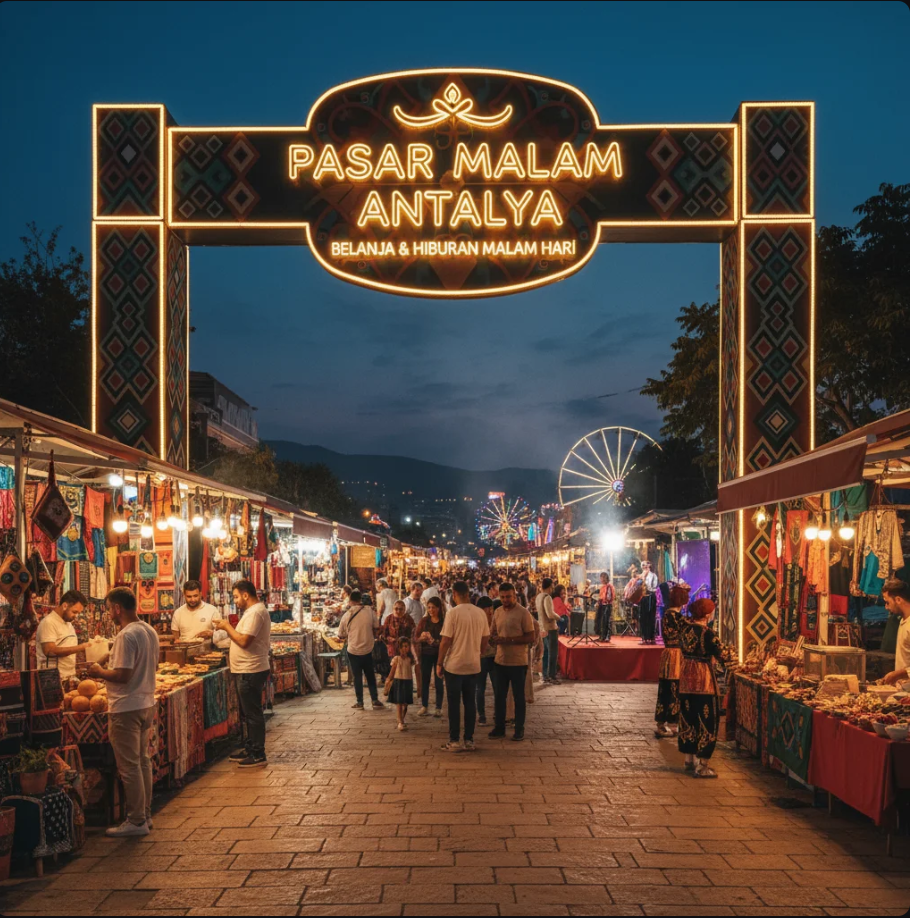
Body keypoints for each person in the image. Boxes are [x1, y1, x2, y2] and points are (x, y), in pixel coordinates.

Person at [89, 588, 159, 837]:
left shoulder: (126, 635)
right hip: (145, 703)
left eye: (109, 608)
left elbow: (122, 675)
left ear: (118, 608)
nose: (108, 613)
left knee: (129, 766)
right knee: (141, 761)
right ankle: (145, 815)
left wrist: (99, 672)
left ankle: (136, 820)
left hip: (126, 707)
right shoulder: (149, 631)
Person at [213, 580, 272, 768]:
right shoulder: (251, 612)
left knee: (253, 713)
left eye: (236, 597)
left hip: (251, 669)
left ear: (246, 595)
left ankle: (258, 753)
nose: (235, 601)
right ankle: (251, 747)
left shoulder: (256, 613)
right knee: (248, 713)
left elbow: (244, 641)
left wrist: (225, 626)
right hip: (246, 669)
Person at [437, 581, 490, 753]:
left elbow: (445, 641)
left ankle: (454, 740)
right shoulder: (480, 613)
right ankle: (469, 739)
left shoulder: (453, 613)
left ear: (454, 594)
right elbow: (485, 639)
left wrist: (439, 662)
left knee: (453, 704)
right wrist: (478, 653)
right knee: (470, 703)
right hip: (473, 664)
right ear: (468, 593)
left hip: (454, 665)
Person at [678, 598, 726, 779]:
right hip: (703, 679)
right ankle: (703, 764)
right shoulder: (708, 633)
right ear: (707, 614)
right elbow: (722, 655)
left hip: (685, 677)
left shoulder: (685, 630)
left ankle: (688, 759)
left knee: (687, 717)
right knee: (707, 720)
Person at [489, 583, 536, 742]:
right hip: (500, 661)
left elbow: (530, 637)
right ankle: (499, 728)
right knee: (499, 697)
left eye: (508, 597)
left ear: (515, 596)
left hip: (518, 662)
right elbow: (493, 632)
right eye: (502, 597)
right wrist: (493, 640)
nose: (505, 600)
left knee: (518, 697)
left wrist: (508, 640)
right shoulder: (497, 612)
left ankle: (519, 729)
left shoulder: (523, 613)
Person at [338, 590, 385, 710]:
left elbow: (340, 634)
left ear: (350, 601)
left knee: (357, 676)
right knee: (370, 675)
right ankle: (374, 700)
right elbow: (376, 627)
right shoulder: (370, 611)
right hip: (368, 649)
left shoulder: (346, 615)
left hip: (353, 650)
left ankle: (360, 702)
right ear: (360, 599)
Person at [655, 585, 690, 738]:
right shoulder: (678, 618)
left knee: (665, 689)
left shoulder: (667, 615)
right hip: (677, 655)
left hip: (668, 654)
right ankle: (672, 722)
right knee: (675, 689)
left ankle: (661, 722)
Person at [35, 590, 88, 680]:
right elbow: (49, 650)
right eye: (74, 612)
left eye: (78, 613)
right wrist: (79, 648)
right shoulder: (49, 622)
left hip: (68, 676)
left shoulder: (68, 623)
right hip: (51, 679)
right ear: (64, 606)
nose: (76, 616)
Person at [171, 580, 227, 646]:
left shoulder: (212, 610)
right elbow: (176, 638)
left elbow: (224, 634)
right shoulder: (178, 613)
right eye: (189, 597)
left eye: (195, 596)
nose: (192, 600)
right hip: (184, 653)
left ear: (200, 594)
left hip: (206, 653)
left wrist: (212, 634)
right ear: (184, 595)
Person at [415, 596, 445, 717]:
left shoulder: (444, 622)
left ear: (439, 608)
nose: (431, 610)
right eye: (429, 607)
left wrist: (434, 641)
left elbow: (446, 640)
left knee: (439, 680)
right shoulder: (424, 621)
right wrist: (421, 638)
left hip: (439, 655)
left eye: (433, 607)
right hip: (425, 654)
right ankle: (424, 705)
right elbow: (416, 637)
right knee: (425, 680)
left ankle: (438, 707)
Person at [387, 637, 418, 731]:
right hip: (398, 681)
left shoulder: (410, 659)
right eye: (403, 646)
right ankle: (400, 721)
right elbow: (392, 671)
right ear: (399, 648)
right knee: (399, 702)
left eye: (407, 646)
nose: (405, 648)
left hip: (407, 682)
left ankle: (401, 718)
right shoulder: (396, 659)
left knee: (405, 703)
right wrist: (388, 680)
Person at [883, 579, 910, 685]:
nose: (886, 607)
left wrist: (897, 674)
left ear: (898, 599)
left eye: (887, 602)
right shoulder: (902, 620)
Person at [475, 596, 497, 726]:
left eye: (490, 608)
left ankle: (496, 713)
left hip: (493, 657)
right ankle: (482, 715)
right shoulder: (477, 622)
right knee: (480, 688)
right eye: (487, 608)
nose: (489, 611)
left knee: (496, 687)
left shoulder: (496, 620)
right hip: (482, 657)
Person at [535, 578, 560, 684]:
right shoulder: (547, 597)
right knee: (552, 653)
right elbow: (550, 614)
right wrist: (559, 617)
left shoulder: (538, 597)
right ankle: (552, 675)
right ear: (550, 586)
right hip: (550, 628)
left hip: (542, 628)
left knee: (545, 652)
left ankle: (545, 675)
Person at [639, 561, 659, 645]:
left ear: (649, 566)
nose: (644, 567)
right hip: (643, 598)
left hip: (650, 597)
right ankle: (644, 638)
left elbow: (654, 588)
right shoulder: (640, 576)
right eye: (642, 565)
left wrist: (645, 583)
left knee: (650, 617)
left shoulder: (653, 576)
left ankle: (651, 638)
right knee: (643, 618)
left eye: (645, 565)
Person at [596, 573, 616, 643]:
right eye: (601, 577)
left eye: (603, 577)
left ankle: (607, 636)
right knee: (601, 621)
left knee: (606, 621)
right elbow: (601, 596)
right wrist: (598, 601)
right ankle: (602, 636)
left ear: (606, 578)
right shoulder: (602, 587)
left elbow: (608, 597)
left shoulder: (609, 586)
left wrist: (602, 599)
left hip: (607, 605)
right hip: (602, 605)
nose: (602, 579)